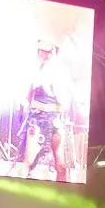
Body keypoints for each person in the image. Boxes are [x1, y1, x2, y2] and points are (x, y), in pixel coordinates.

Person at [21, 39, 69, 182]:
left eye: (49, 52)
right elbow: (27, 97)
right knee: (29, 161)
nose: (46, 55)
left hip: (55, 120)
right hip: (37, 119)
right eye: (43, 51)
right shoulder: (34, 72)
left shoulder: (60, 72)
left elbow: (65, 100)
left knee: (61, 165)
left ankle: (63, 191)